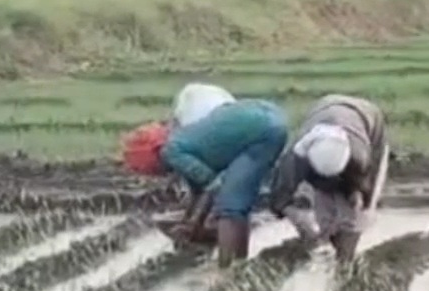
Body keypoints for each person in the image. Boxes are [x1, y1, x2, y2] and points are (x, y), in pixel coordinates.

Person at [159, 97, 292, 267]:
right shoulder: (181, 142)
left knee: (230, 206)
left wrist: (193, 226)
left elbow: (212, 184)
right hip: (268, 115)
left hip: (262, 131)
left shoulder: (171, 152)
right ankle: (239, 263)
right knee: (240, 203)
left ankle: (225, 269)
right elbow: (200, 192)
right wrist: (191, 222)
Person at [265, 94, 390, 263]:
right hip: (323, 109)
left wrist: (359, 197)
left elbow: (365, 186)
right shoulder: (296, 157)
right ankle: (326, 247)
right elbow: (278, 198)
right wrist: (302, 222)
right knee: (325, 216)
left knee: (355, 216)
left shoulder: (360, 155)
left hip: (365, 118)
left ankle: (345, 261)